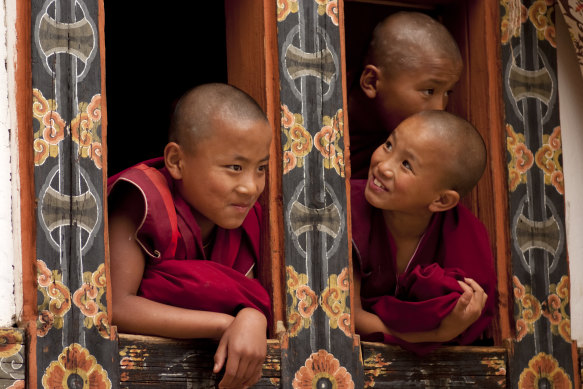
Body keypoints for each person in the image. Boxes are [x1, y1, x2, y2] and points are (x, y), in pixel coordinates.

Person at [108, 83, 273, 388]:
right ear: (176, 161)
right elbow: (116, 304)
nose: (250, 187)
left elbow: (247, 297)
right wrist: (226, 323)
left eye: (261, 168)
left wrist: (254, 317)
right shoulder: (142, 201)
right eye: (234, 167)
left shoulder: (253, 224)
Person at [351, 110, 497, 355]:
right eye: (388, 145)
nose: (383, 166)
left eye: (406, 165)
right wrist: (437, 334)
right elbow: (350, 316)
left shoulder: (463, 235)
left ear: (441, 200)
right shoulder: (347, 208)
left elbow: (470, 314)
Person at [348, 11, 463, 179]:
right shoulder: (317, 106)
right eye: (428, 91)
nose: (439, 110)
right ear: (371, 82)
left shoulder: (402, 144)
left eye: (447, 93)